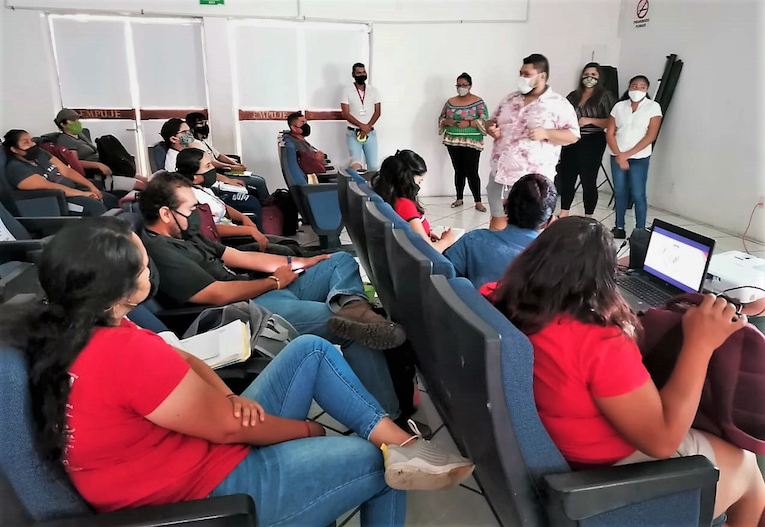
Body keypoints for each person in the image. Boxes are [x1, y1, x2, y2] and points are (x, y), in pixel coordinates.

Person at [0, 217, 474, 524]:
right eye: (143, 269)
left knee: (309, 350)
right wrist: (306, 430)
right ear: (116, 287)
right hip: (202, 495)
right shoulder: (121, 353)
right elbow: (229, 430)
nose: (150, 274)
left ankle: (402, 442)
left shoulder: (80, 324)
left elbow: (183, 359)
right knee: (376, 462)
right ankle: (395, 453)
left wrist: (227, 398)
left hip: (193, 447)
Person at [490, 217, 765, 527]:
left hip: (557, 450)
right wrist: (700, 343)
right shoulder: (597, 341)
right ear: (606, 280)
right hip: (607, 473)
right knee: (746, 467)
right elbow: (662, 441)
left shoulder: (497, 298)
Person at [139, 172, 407, 417]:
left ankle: (353, 305)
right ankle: (387, 417)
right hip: (247, 310)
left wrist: (302, 263)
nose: (196, 214)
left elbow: (240, 257)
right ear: (166, 214)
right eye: (190, 209)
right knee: (353, 330)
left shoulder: (185, 234)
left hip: (262, 289)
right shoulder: (162, 251)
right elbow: (217, 295)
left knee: (338, 260)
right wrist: (274, 282)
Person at [486, 53, 580, 231]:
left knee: (531, 228)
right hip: (500, 174)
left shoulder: (558, 104)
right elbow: (491, 121)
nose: (522, 78)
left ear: (542, 76)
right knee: (498, 221)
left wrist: (546, 133)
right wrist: (491, 127)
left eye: (527, 74)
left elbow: (573, 135)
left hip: (534, 182)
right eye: (520, 73)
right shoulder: (509, 99)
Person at [175, 149, 297, 255]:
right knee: (287, 251)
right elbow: (208, 228)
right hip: (223, 243)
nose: (213, 169)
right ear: (195, 176)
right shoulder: (191, 197)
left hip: (235, 231)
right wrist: (248, 230)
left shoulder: (204, 188)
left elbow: (223, 207)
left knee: (291, 244)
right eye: (208, 166)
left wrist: (243, 218)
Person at [445, 173, 556, 289]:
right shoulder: (555, 262)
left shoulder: (472, 240)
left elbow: (442, 279)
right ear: (549, 221)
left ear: (504, 205)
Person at [161, 119, 263, 219]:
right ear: (173, 139)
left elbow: (207, 170)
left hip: (212, 189)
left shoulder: (188, 151)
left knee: (252, 191)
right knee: (252, 200)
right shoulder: (174, 161)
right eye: (184, 132)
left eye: (189, 131)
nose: (189, 135)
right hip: (208, 194)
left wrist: (228, 181)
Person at [2, 129, 117, 216]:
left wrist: (91, 186)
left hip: (74, 190)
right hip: (58, 201)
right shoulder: (16, 169)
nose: (32, 144)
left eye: (31, 141)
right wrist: (83, 194)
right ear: (14, 149)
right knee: (96, 207)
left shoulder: (40, 153)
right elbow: (50, 186)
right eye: (26, 143)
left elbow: (66, 170)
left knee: (110, 199)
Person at [555, 63, 616, 218]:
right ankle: (564, 212)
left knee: (588, 178)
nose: (589, 77)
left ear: (600, 77)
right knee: (567, 177)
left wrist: (590, 120)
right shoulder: (573, 95)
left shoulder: (605, 96)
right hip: (571, 139)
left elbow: (612, 121)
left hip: (592, 141)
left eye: (593, 75)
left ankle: (588, 216)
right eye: (586, 74)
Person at [606, 75, 663, 239]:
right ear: (629, 87)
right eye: (634, 86)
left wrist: (626, 155)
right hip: (617, 156)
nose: (638, 89)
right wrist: (619, 154)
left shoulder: (653, 107)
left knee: (638, 194)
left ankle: (639, 230)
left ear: (647, 89)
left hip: (639, 158)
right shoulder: (619, 106)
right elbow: (610, 132)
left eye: (642, 87)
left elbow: (651, 135)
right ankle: (619, 227)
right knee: (620, 192)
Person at [371, 150, 456, 254]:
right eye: (419, 181)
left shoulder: (390, 199)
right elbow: (430, 251)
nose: (419, 186)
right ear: (408, 180)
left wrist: (426, 234)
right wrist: (447, 241)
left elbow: (413, 234)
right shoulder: (404, 205)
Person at [50, 108, 147, 192]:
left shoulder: (81, 135)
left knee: (146, 180)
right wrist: (97, 165)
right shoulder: (65, 140)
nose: (77, 122)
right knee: (141, 185)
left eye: (77, 119)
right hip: (99, 173)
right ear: (63, 124)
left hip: (109, 166)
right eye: (72, 120)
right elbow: (74, 163)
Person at [185, 112, 269, 200]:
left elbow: (218, 155)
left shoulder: (203, 141)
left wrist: (234, 163)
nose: (204, 125)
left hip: (224, 170)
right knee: (259, 182)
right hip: (218, 174)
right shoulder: (194, 144)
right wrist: (231, 166)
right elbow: (211, 162)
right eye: (201, 123)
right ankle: (267, 204)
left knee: (258, 180)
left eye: (205, 122)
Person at [438, 73, 489, 212]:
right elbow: (441, 117)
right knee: (458, 170)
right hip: (453, 140)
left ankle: (478, 201)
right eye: (458, 85)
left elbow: (485, 120)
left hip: (472, 141)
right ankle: (459, 198)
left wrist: (469, 123)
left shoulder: (478, 102)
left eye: (464, 85)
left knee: (472, 171)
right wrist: (446, 122)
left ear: (470, 86)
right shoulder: (450, 102)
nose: (461, 88)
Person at [341, 63, 381, 171]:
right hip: (353, 134)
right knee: (356, 166)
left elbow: (377, 112)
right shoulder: (347, 91)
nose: (362, 75)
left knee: (373, 166)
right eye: (359, 73)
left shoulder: (373, 90)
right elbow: (345, 113)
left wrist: (367, 127)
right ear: (353, 74)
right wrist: (361, 126)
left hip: (370, 133)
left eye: (363, 72)